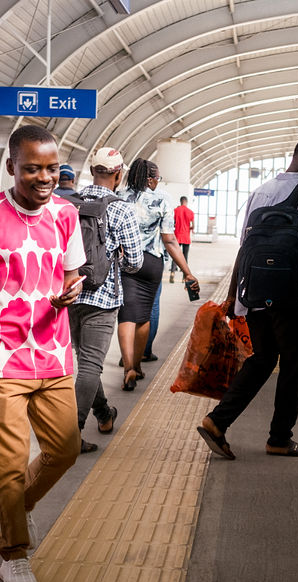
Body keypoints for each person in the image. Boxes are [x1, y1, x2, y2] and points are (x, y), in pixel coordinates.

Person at [0, 124, 86, 582]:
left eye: (51, 168)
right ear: (11, 167)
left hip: (53, 353)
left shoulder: (66, 214)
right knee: (10, 461)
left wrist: (73, 289)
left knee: (64, 450)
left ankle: (15, 507)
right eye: (32, 169)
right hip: (1, 357)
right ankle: (14, 553)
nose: (43, 177)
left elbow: (71, 273)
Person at [196, 137, 298, 459]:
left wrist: (235, 296)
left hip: (255, 292)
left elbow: (245, 247)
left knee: (261, 359)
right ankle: (279, 439)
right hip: (292, 297)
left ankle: (217, 422)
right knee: (295, 365)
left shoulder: (261, 191)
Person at [67, 147, 143, 452]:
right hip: (103, 296)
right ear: (118, 174)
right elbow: (135, 261)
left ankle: (103, 413)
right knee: (90, 366)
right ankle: (70, 436)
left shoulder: (68, 203)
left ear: (91, 169)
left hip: (69, 293)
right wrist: (117, 264)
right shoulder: (122, 208)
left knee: (85, 360)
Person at [117, 159, 198, 390]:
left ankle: (127, 368)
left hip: (124, 262)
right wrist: (187, 272)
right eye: (157, 178)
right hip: (151, 262)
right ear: (150, 178)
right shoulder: (162, 199)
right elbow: (169, 239)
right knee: (143, 316)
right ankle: (138, 364)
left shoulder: (120, 197)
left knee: (126, 315)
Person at [169, 196, 194, 284]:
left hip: (177, 237)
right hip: (186, 238)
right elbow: (193, 226)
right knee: (184, 257)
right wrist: (189, 228)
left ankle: (172, 272)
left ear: (180, 202)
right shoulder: (190, 212)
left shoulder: (176, 210)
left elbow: (172, 223)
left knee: (175, 256)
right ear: (186, 202)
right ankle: (184, 277)